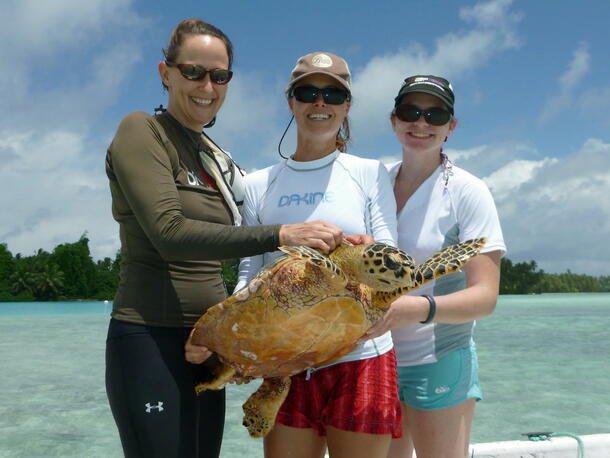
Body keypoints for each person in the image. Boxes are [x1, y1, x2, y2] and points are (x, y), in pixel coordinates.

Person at [104, 19, 345, 458]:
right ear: (166, 73)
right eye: (193, 71)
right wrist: (284, 234)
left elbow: (250, 228)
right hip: (149, 338)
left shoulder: (213, 156)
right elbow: (169, 233)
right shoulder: (142, 131)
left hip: (208, 345)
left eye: (220, 76)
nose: (207, 86)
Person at [234, 52, 403, 458]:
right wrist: (241, 340)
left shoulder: (367, 172)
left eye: (332, 94)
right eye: (308, 92)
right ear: (290, 101)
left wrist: (365, 251)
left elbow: (392, 257)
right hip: (284, 361)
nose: (320, 103)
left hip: (361, 354)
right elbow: (249, 272)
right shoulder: (256, 184)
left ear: (346, 105)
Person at [364, 75, 506, 458]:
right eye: (410, 112)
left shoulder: (467, 190)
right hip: (376, 359)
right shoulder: (373, 184)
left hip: (439, 358)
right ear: (393, 120)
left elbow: (484, 297)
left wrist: (418, 309)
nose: (421, 123)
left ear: (451, 127)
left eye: (435, 114)